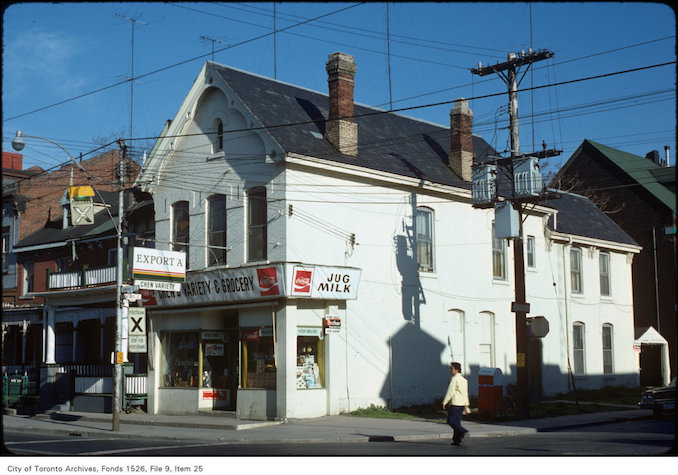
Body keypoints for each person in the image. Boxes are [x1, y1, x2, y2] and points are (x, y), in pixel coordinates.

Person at [442, 362, 470, 445]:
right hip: (462, 404)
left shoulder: (455, 379)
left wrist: (445, 402)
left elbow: (450, 391)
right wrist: (467, 403)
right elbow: (465, 392)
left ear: (456, 370)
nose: (450, 371)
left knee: (451, 421)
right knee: (457, 422)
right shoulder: (464, 379)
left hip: (455, 403)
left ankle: (463, 431)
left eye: (451, 369)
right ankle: (457, 440)